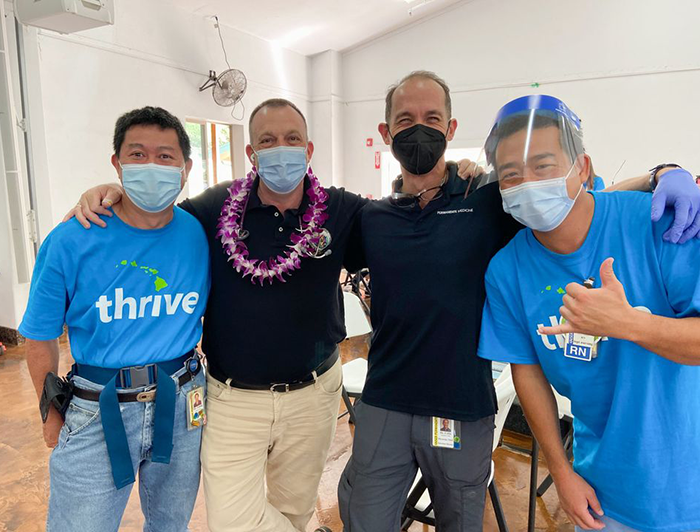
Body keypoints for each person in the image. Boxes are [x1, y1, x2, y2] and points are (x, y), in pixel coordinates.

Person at [338, 72, 700, 532]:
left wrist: (663, 174)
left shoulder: (486, 201)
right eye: (405, 120)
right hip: (388, 398)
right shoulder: (375, 218)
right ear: (385, 133)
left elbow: (582, 204)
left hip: (459, 405)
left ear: (451, 129)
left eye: (431, 117)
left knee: (461, 519)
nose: (419, 129)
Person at [63, 98, 367, 532]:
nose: (280, 148)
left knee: (295, 511)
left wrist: (463, 178)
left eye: (291, 139)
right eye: (267, 140)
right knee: (230, 521)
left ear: (309, 149)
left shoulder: (342, 209)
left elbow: (402, 222)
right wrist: (108, 194)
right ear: (251, 153)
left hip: (313, 394)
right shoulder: (214, 208)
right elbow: (153, 220)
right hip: (232, 398)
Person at [477, 94, 700, 532]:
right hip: (603, 494)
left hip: (686, 483)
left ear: (582, 168)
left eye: (543, 166)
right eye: (511, 176)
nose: (527, 183)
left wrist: (632, 324)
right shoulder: (507, 271)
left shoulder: (658, 224)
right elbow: (526, 370)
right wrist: (560, 471)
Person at [20, 106, 210, 531]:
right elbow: (39, 335)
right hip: (95, 408)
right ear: (117, 165)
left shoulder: (198, 233)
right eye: (137, 155)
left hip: (182, 402)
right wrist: (49, 412)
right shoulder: (71, 239)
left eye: (165, 156)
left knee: (171, 524)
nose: (152, 166)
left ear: (186, 168)